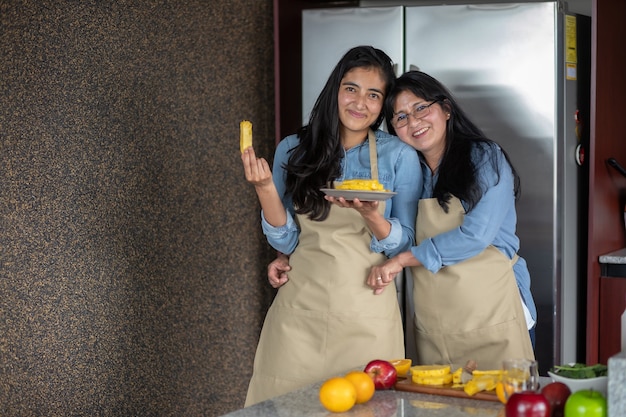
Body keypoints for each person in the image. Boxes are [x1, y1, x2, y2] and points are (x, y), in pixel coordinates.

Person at [240, 46, 422, 406]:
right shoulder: (293, 149)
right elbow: (286, 238)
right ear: (335, 90)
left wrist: (372, 216)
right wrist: (264, 189)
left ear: (383, 104)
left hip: (367, 316)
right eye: (351, 88)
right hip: (298, 318)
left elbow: (405, 244)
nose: (360, 102)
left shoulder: (399, 155)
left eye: (374, 95)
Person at [365, 70, 536, 369]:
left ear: (445, 109)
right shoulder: (408, 173)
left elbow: (476, 236)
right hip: (437, 323)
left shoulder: (483, 157)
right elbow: (397, 234)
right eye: (401, 117)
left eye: (421, 108)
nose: (413, 122)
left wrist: (403, 260)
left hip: (494, 315)